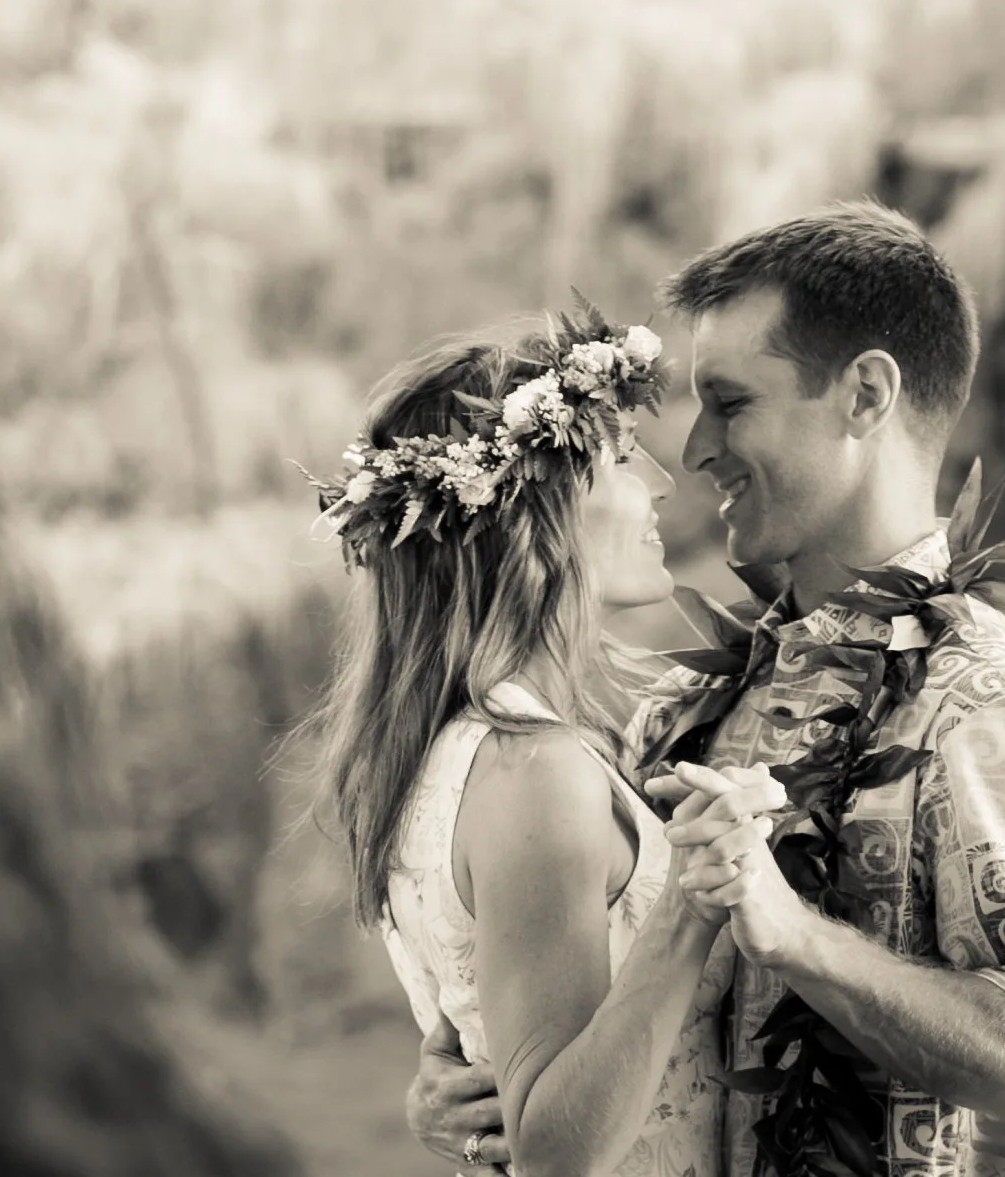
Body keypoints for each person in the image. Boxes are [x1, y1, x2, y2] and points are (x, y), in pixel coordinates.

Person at [408, 203, 1005, 1177]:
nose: (693, 449)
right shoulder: (678, 710)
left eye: (730, 401)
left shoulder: (992, 703)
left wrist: (794, 937)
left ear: (864, 394)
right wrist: (469, 1077)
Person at [311, 305, 785, 1177]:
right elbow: (556, 1150)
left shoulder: (465, 748)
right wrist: (691, 901)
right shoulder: (532, 770)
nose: (661, 481)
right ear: (534, 516)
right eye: (618, 455)